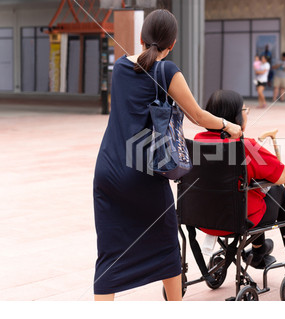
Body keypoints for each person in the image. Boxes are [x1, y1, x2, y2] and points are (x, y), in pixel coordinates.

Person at [93, 10, 242, 301]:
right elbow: (197, 115)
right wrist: (229, 125)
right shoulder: (167, 71)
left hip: (107, 170)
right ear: (172, 43)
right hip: (142, 172)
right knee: (166, 245)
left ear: (140, 38)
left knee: (109, 251)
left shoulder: (120, 67)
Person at [195, 89, 285, 268]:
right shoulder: (245, 146)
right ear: (236, 118)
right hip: (239, 220)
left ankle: (259, 250)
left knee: (251, 193)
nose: (246, 115)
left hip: (203, 219)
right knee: (279, 192)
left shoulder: (197, 142)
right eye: (245, 111)